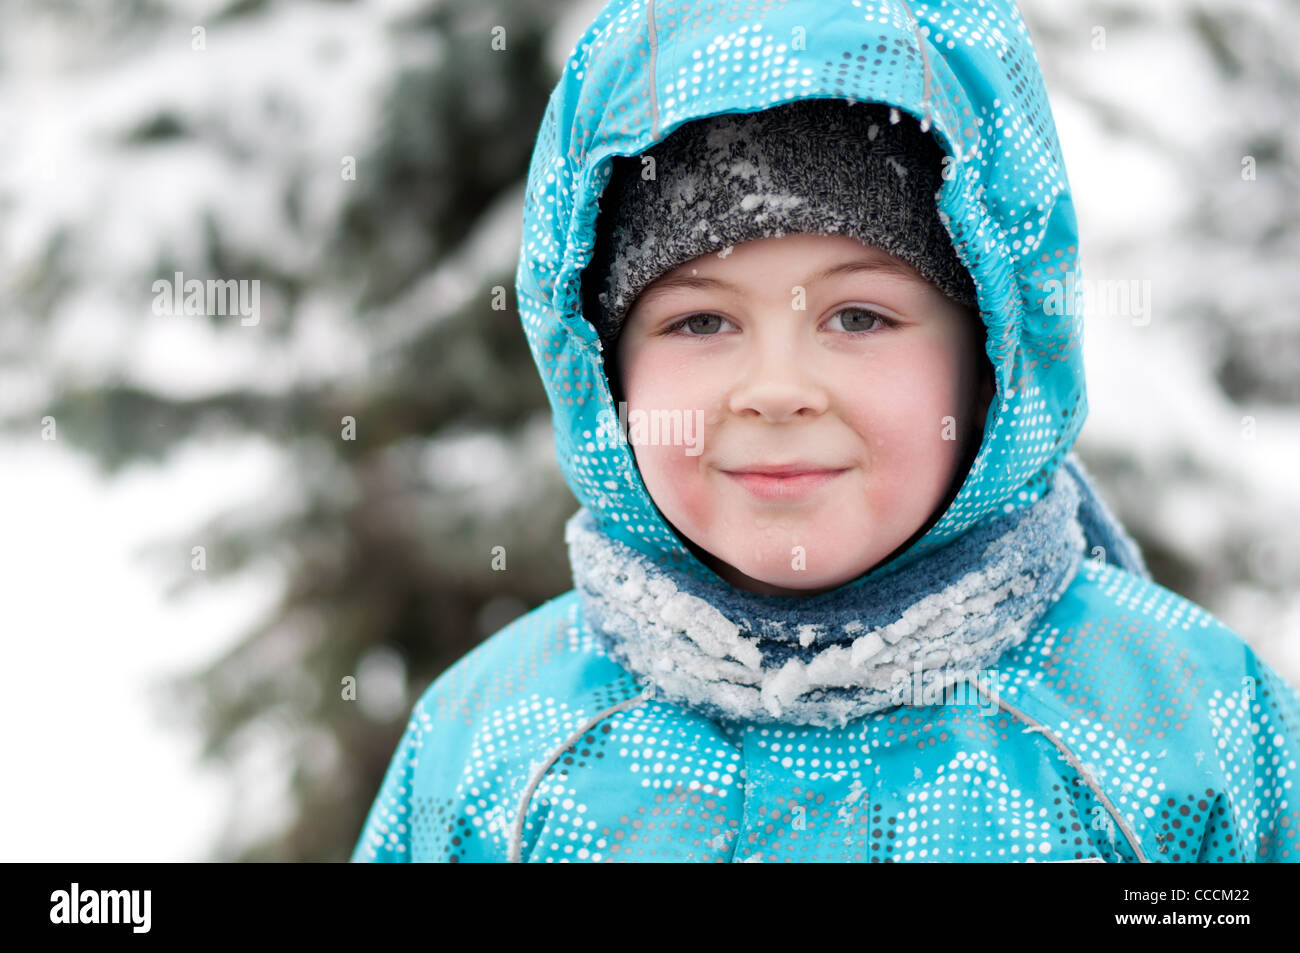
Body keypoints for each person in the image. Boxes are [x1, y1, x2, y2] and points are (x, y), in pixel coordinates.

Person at [351, 0, 1300, 862]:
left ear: (986, 367)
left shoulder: (1177, 730)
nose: (775, 391)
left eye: (858, 319)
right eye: (701, 322)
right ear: (606, 374)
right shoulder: (493, 755)